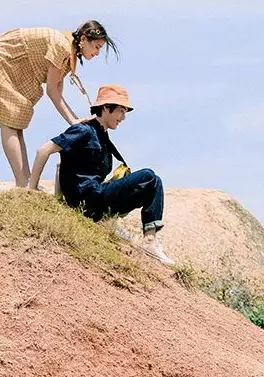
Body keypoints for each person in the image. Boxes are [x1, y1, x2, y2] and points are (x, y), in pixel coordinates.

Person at [28, 85, 175, 265]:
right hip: (86, 200)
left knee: (154, 183)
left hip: (98, 198)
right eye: (121, 111)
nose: (123, 117)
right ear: (106, 108)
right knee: (148, 176)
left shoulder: (102, 135)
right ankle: (146, 241)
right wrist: (31, 188)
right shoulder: (83, 130)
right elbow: (43, 150)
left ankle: (150, 241)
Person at [0, 21, 118, 187]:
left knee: (18, 115)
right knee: (11, 117)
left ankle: (25, 179)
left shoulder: (68, 54)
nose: (97, 53)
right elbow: (52, 91)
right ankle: (22, 182)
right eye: (97, 47)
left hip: (7, 61)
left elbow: (57, 91)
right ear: (84, 39)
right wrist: (73, 121)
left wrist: (74, 120)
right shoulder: (62, 47)